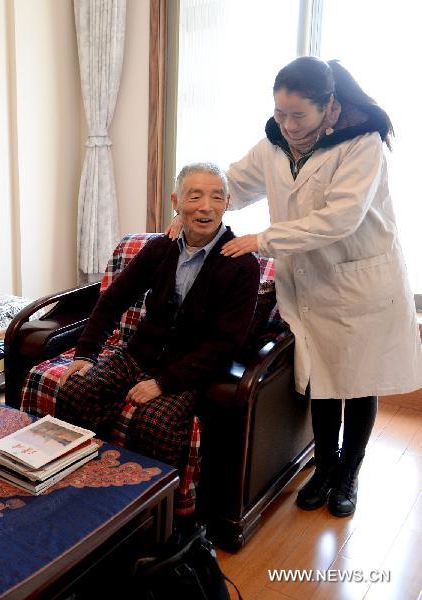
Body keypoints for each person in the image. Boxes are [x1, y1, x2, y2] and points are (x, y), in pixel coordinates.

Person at [170, 56, 422, 517]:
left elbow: (340, 219)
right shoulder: (275, 144)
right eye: (280, 113)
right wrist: (192, 208)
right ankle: (324, 468)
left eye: (297, 116)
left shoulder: (361, 144)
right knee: (322, 379)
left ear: (329, 109)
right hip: (309, 283)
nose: (286, 125)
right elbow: (234, 185)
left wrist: (262, 240)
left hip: (359, 280)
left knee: (358, 382)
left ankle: (349, 473)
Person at [58, 163, 260, 515]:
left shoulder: (241, 263)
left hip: (190, 369)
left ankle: (149, 517)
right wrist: (87, 353)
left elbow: (226, 343)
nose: (205, 206)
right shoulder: (160, 248)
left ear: (227, 202)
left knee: (154, 423)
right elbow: (113, 299)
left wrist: (163, 383)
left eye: (215, 197)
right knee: (77, 388)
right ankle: (74, 489)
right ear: (176, 202)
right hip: (140, 353)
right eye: (194, 196)